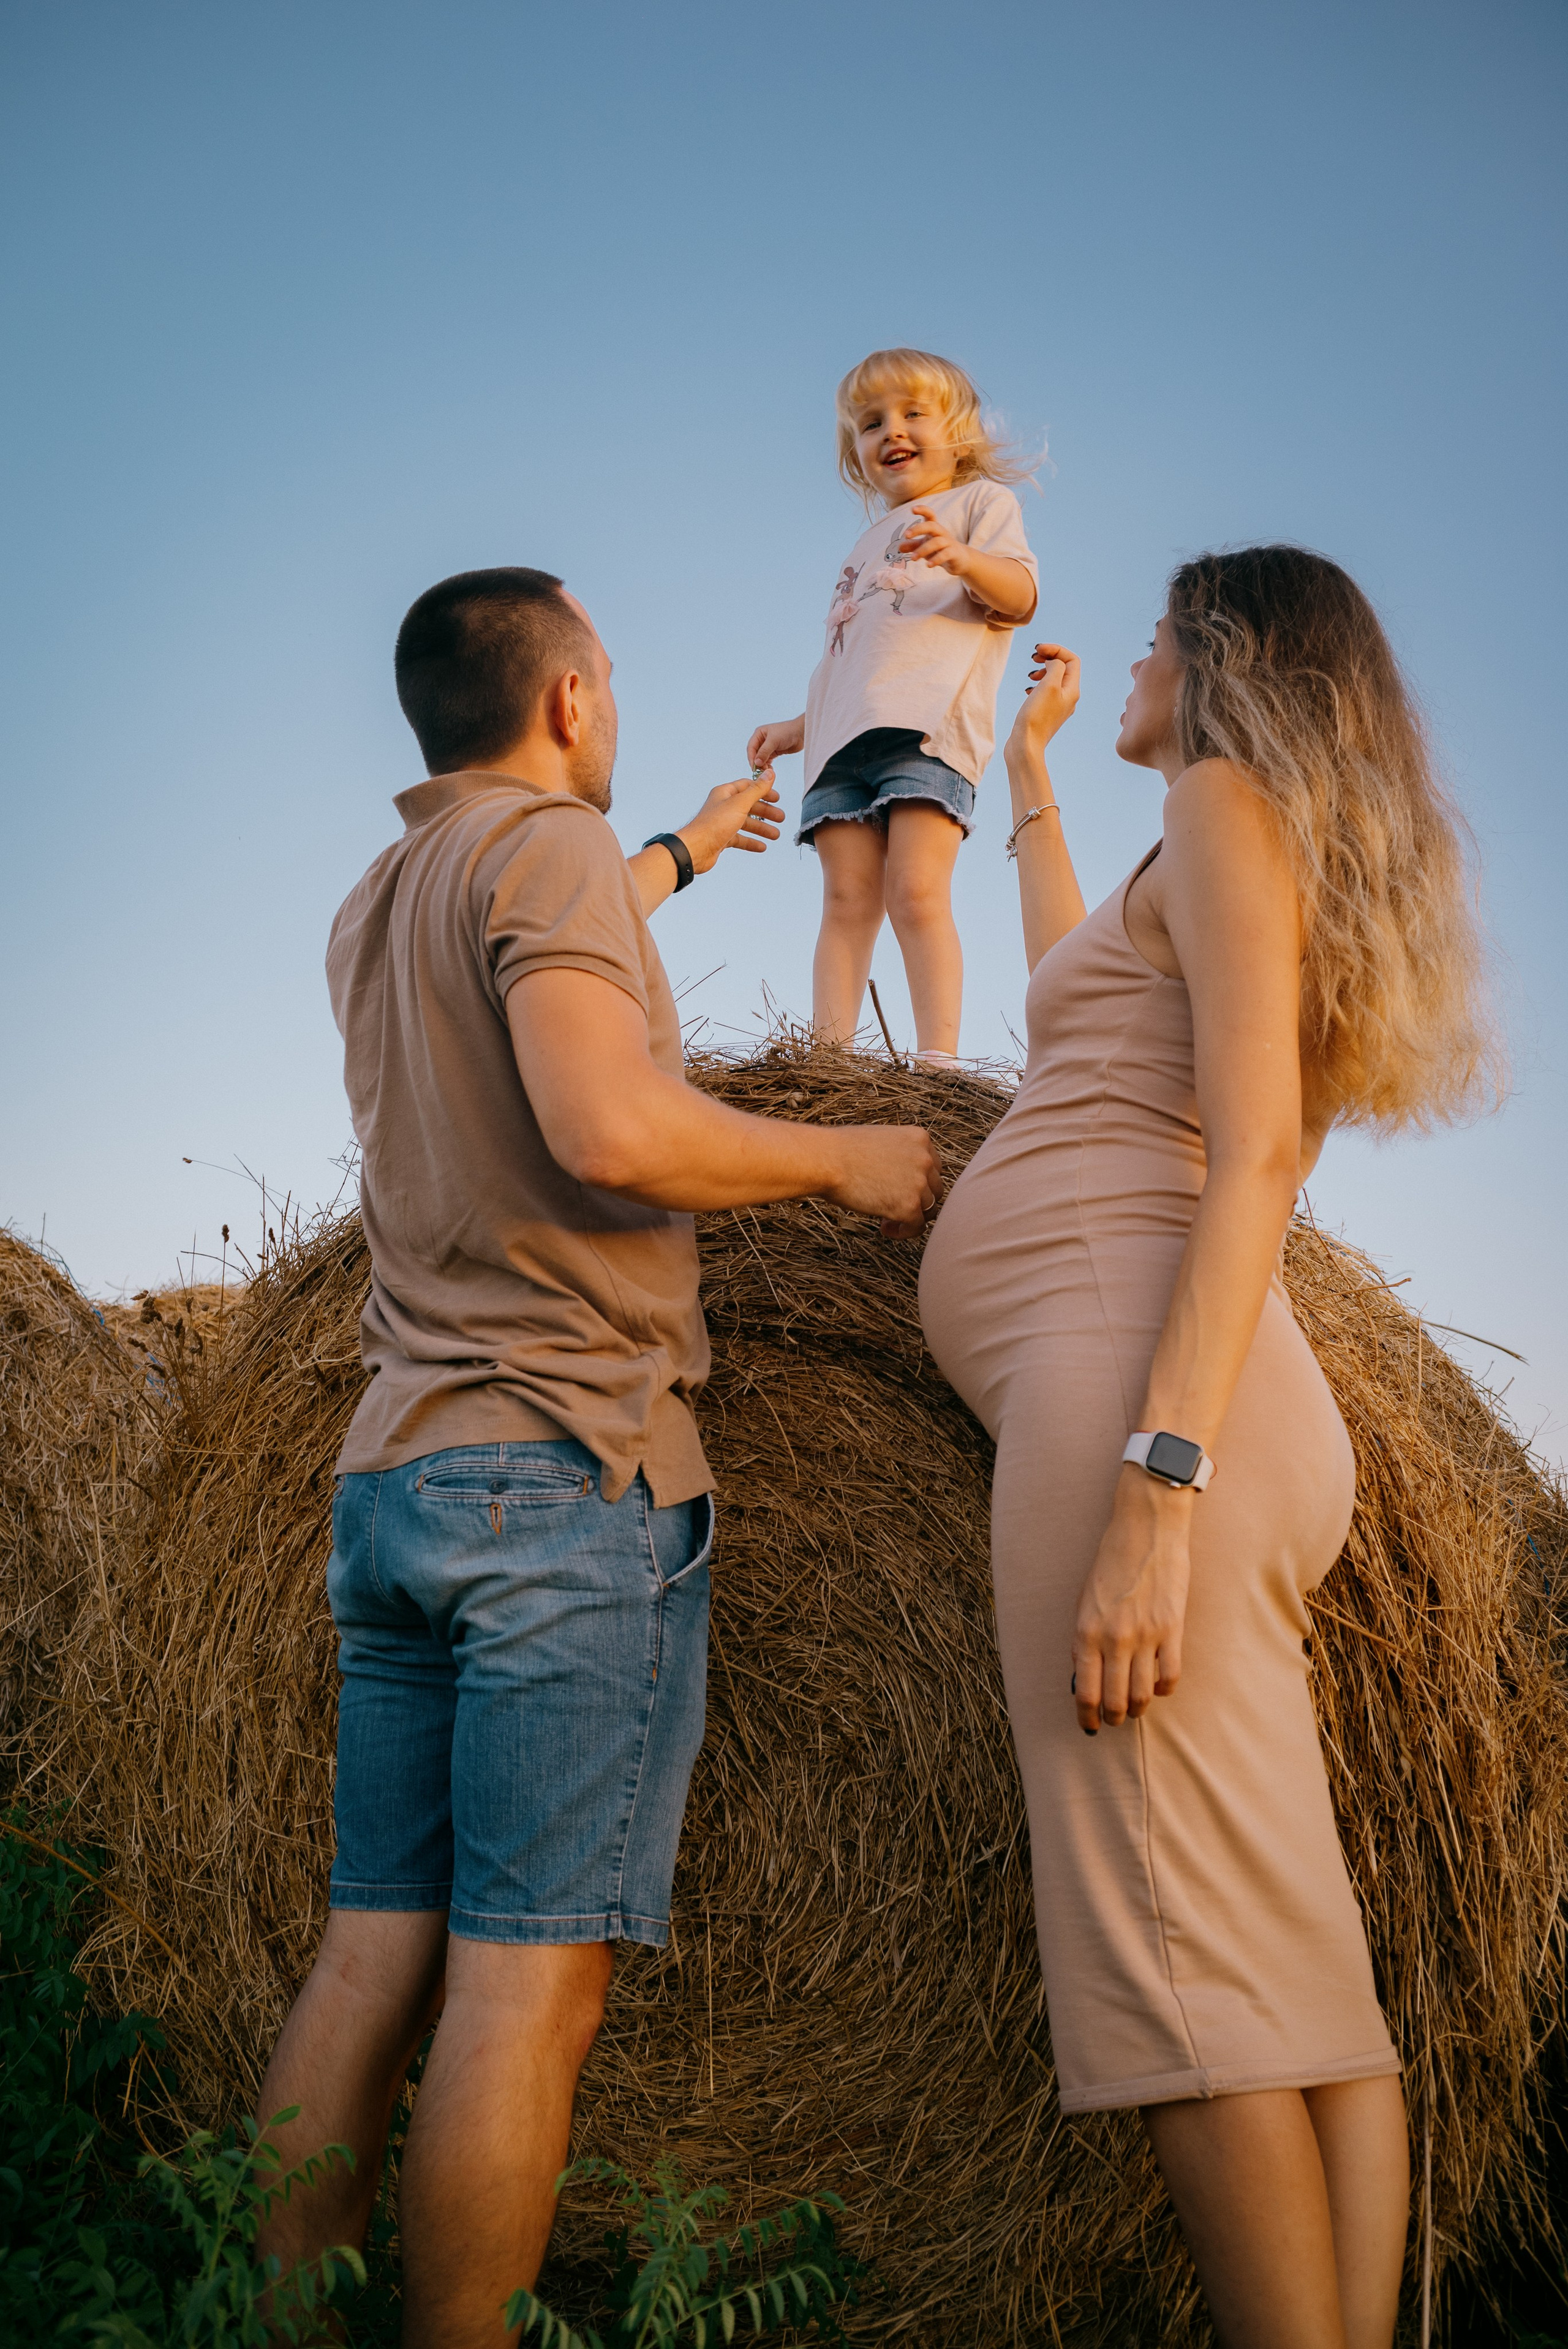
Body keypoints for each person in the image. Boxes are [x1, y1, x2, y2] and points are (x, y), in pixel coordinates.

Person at [252, 566, 941, 2348]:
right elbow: (604, 1115)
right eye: (612, 679)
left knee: (367, 1957)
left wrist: (691, 854)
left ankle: (270, 2317)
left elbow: (556, 951)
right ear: (568, 700)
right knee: (517, 1995)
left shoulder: (383, 894)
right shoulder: (546, 853)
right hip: (560, 1475)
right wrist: (843, 1160)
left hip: (393, 1479)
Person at [918, 546, 1501, 2349]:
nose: (1140, 655)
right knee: (1290, 1966)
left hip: (1144, 1412)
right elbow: (1086, 1009)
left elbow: (1250, 1148)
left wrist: (1150, 1497)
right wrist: (1024, 780)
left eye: (1165, 631)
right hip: (1176, 1395)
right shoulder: (1216, 842)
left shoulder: (1229, 805)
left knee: (1172, 1954)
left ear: (1229, 660)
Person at [747, 346, 1038, 1066]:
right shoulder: (864, 543)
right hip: (843, 743)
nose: (891, 431)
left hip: (928, 730)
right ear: (856, 452)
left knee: (914, 891)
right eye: (871, 422)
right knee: (846, 903)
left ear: (959, 433)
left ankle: (937, 1063)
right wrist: (797, 726)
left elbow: (1022, 596)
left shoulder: (980, 506)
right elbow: (855, 668)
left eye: (913, 413)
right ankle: (827, 1062)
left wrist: (964, 559)